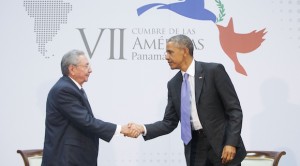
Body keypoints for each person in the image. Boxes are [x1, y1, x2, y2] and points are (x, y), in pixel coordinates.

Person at [129, 34, 246, 166]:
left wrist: (231, 143)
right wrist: (142, 128)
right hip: (195, 149)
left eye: (170, 52)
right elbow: (169, 123)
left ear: (184, 51)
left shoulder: (213, 71)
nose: (166, 57)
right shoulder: (173, 84)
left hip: (222, 146)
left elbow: (234, 110)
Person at [42, 49, 138, 166]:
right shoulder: (64, 90)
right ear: (72, 69)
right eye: (86, 66)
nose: (91, 70)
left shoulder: (72, 88)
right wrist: (121, 129)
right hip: (66, 160)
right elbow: (86, 121)